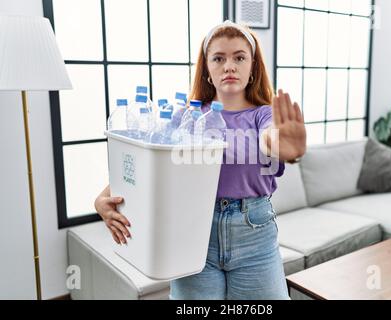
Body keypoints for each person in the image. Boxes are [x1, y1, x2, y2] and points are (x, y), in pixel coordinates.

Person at [94, 20, 306, 300]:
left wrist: (286, 146)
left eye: (239, 57)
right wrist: (103, 198)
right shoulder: (187, 117)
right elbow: (154, 160)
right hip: (192, 232)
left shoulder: (264, 115)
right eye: (219, 58)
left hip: (254, 234)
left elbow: (270, 138)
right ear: (207, 68)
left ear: (253, 66)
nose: (229, 66)